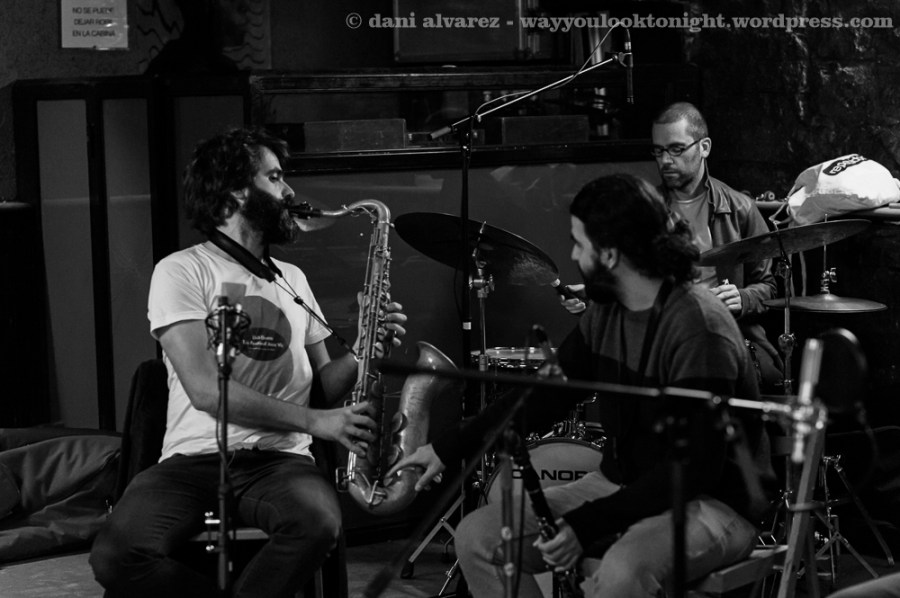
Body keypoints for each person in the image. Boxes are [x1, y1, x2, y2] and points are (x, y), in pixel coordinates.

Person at [390, 173, 774, 597]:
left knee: (623, 569)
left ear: (609, 253)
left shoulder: (698, 325)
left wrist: (586, 523)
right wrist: (447, 447)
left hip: (711, 500)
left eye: (579, 243)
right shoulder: (607, 312)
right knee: (478, 536)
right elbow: (543, 398)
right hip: (624, 483)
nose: (573, 254)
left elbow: (694, 468)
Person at [90, 127, 407, 597]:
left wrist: (364, 349)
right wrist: (317, 422)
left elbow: (324, 385)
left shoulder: (292, 278)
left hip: (280, 462)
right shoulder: (182, 270)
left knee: (317, 524)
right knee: (116, 555)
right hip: (194, 460)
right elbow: (206, 391)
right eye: (274, 178)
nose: (288, 191)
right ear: (237, 190)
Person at [562, 102, 783, 394]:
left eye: (676, 149)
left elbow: (772, 287)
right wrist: (600, 289)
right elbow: (638, 279)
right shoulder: (647, 210)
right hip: (658, 325)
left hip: (728, 331)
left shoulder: (740, 208)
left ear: (704, 147)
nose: (665, 160)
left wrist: (743, 298)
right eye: (658, 151)